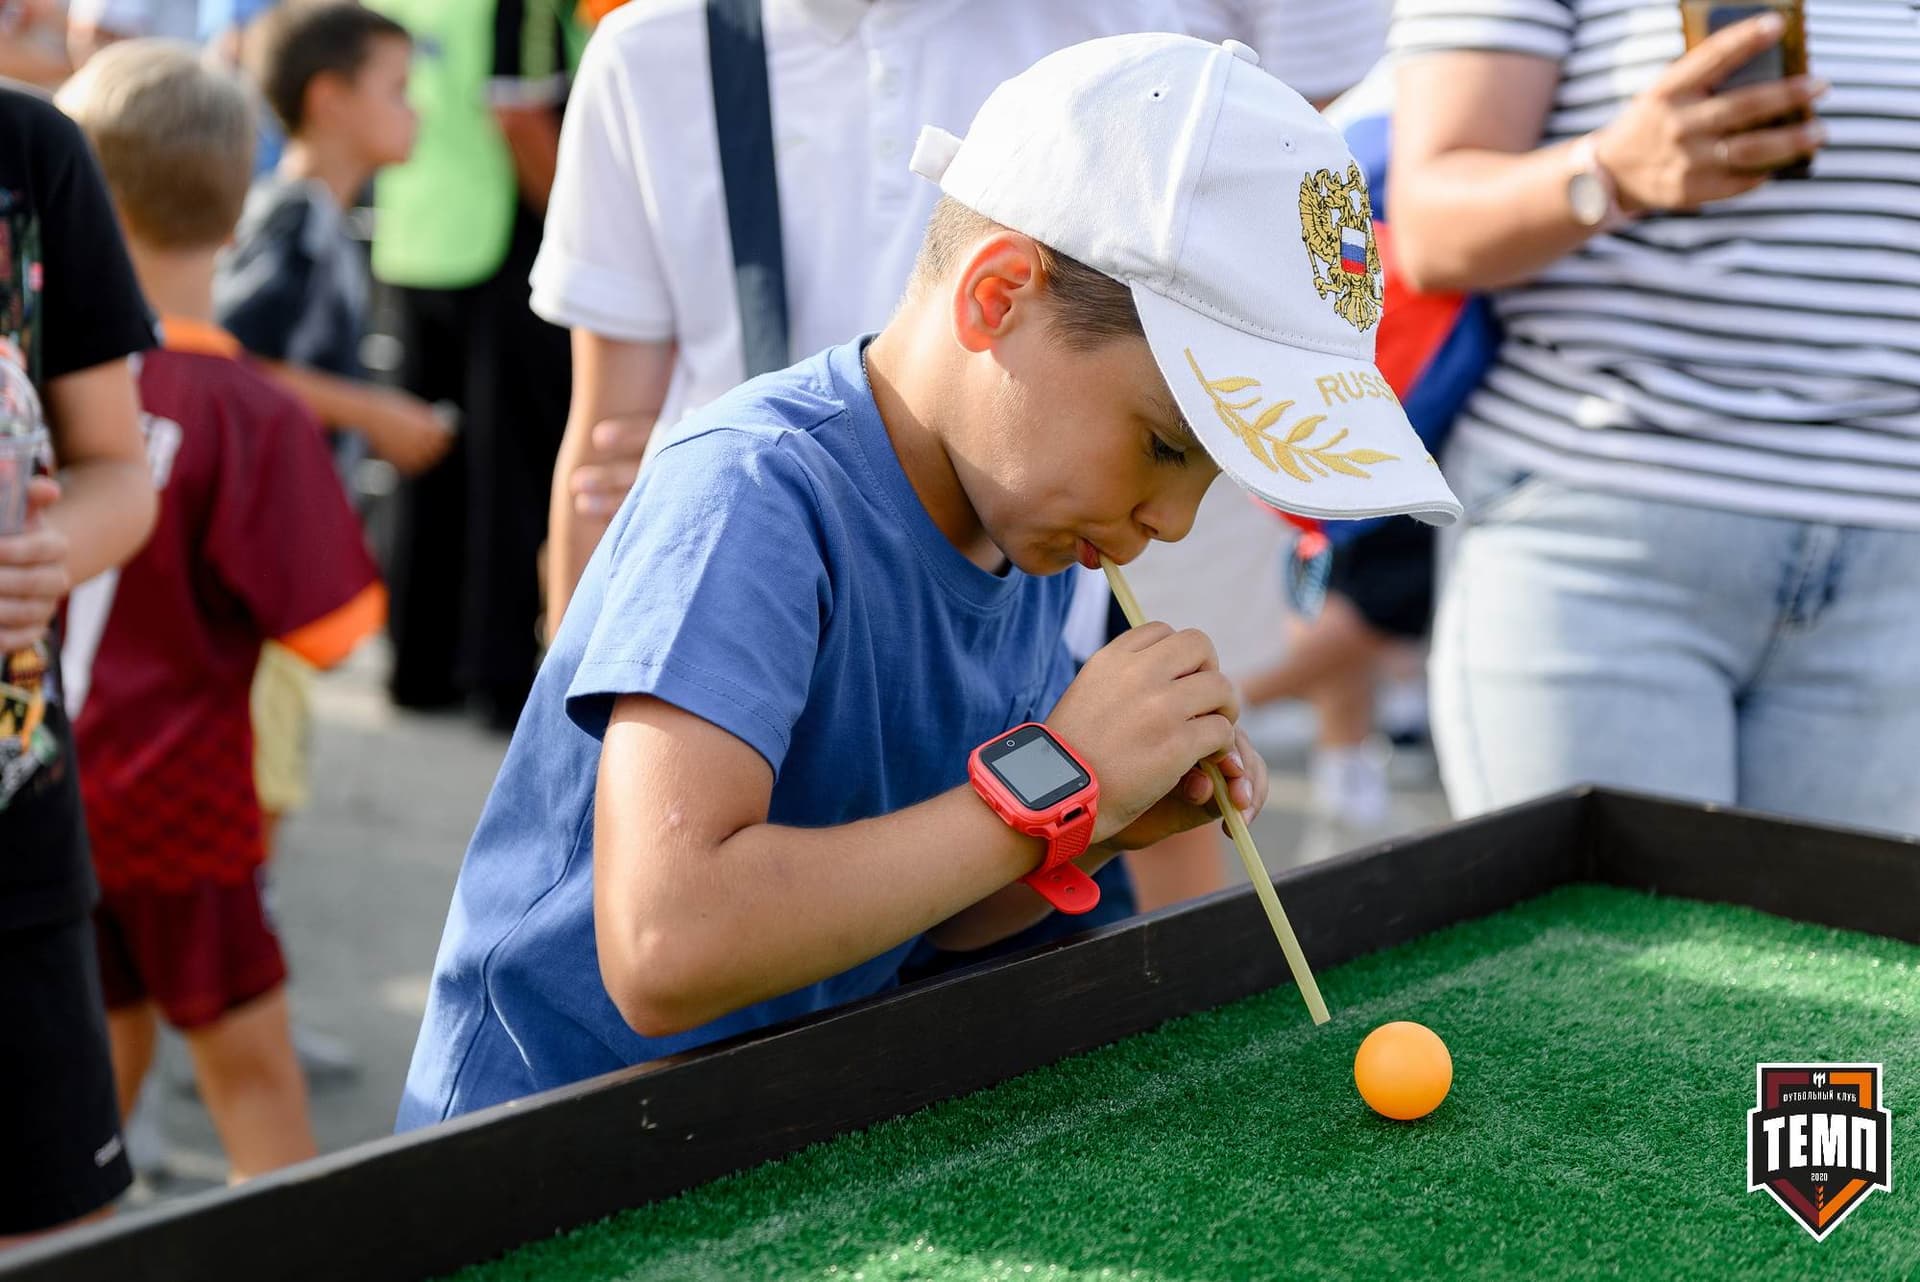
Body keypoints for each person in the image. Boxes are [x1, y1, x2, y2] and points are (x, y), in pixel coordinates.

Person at [398, 33, 1459, 1128]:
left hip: (760, 1134)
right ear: (997, 295)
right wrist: (1056, 779)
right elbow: (668, 945)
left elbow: (927, 912)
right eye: (1160, 444)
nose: (1169, 523)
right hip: (543, 1152)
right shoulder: (750, 498)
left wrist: (1095, 822)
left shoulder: (1025, 527)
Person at [1389, 3, 1920, 831]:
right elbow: (1426, 228)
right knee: (1613, 957)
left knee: (1845, 961)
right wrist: (1613, 171)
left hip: (1895, 564)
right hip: (1602, 539)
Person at [56, 40, 386, 1181]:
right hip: (185, 816)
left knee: (77, 1113)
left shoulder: (34, 383)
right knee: (255, 1087)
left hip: (47, 799)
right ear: (242, 190)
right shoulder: (248, 411)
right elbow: (335, 627)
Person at [0, 85, 157, 1246]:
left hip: (17, 831)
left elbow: (118, 471)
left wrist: (47, 554)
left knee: (56, 1233)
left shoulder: (30, 154)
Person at [367, 0, 575, 728]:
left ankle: (416, 668)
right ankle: (498, 682)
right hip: (499, 241)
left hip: (415, 235)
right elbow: (516, 113)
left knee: (425, 466)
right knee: (508, 477)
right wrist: (582, 227)